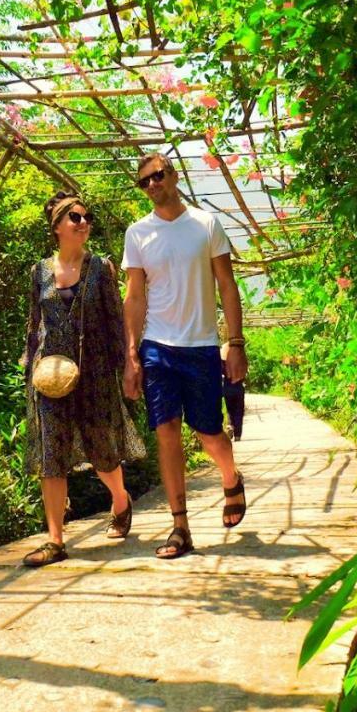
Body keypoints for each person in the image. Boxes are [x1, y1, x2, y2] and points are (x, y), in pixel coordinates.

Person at [122, 153, 249, 560]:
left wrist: (237, 341)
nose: (153, 184)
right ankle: (180, 527)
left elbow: (227, 286)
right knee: (166, 431)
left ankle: (230, 475)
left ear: (174, 175)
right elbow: (135, 296)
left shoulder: (206, 224)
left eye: (158, 175)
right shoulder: (138, 233)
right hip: (158, 346)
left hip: (201, 345)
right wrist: (131, 354)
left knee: (208, 433)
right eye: (145, 182)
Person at [21, 191, 145, 568]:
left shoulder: (100, 268)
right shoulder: (39, 272)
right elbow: (33, 324)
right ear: (57, 227)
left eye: (87, 216)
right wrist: (30, 367)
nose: (84, 222)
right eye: (76, 217)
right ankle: (55, 541)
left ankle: (120, 502)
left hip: (93, 373)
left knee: (101, 450)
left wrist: (127, 363)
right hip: (50, 377)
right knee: (51, 456)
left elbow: (114, 321)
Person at [221, 341, 246, 442]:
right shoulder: (240, 359)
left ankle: (230, 425)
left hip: (227, 389)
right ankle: (238, 435)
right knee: (239, 411)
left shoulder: (223, 362)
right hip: (238, 388)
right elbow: (244, 372)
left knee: (230, 410)